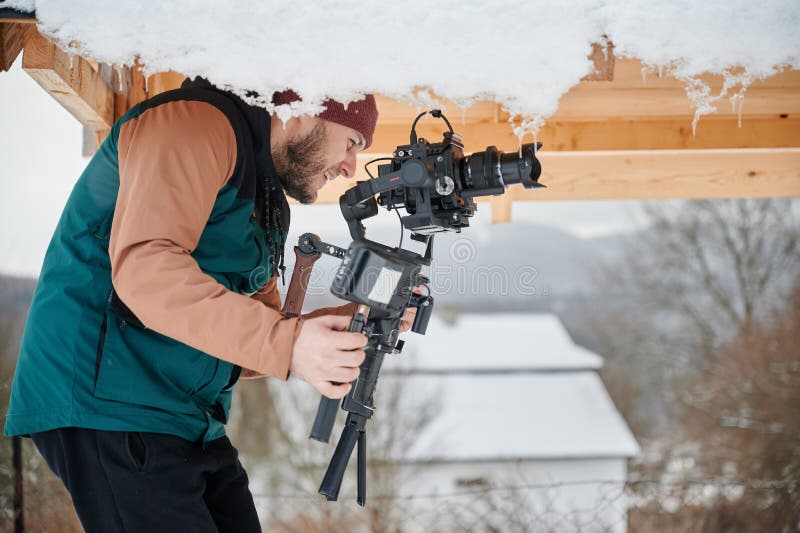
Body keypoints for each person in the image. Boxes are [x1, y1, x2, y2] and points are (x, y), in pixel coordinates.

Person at [4, 77, 414, 532]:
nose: (351, 167)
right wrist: (287, 342)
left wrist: (332, 328)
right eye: (352, 141)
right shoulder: (193, 123)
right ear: (303, 106)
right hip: (108, 399)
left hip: (179, 414)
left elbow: (252, 338)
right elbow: (146, 272)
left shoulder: (263, 192)